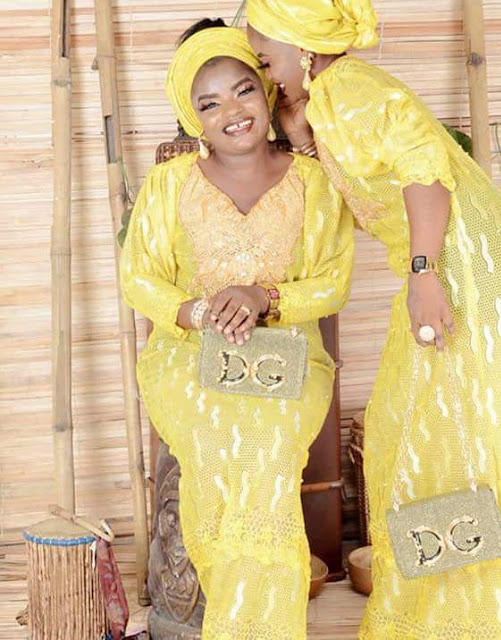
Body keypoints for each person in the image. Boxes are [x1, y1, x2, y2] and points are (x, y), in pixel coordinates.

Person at [246, 2, 501, 638]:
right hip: (449, 257)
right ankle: (445, 605)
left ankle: (469, 614)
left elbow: (426, 170)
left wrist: (424, 275)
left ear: (301, 42)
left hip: (466, 259)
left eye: (264, 55)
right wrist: (301, 133)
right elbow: (361, 191)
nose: (261, 69)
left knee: (450, 437)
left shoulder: (351, 89)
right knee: (406, 433)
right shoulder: (329, 100)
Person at [120, 19, 353, 639]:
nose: (232, 111)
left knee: (268, 441)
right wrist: (200, 314)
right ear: (193, 120)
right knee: (214, 432)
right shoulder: (169, 184)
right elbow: (139, 278)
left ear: (267, 90)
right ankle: (237, 615)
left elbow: (333, 282)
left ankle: (252, 623)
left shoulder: (313, 181)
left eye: (243, 90)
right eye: (210, 103)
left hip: (288, 354)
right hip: (187, 354)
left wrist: (264, 298)